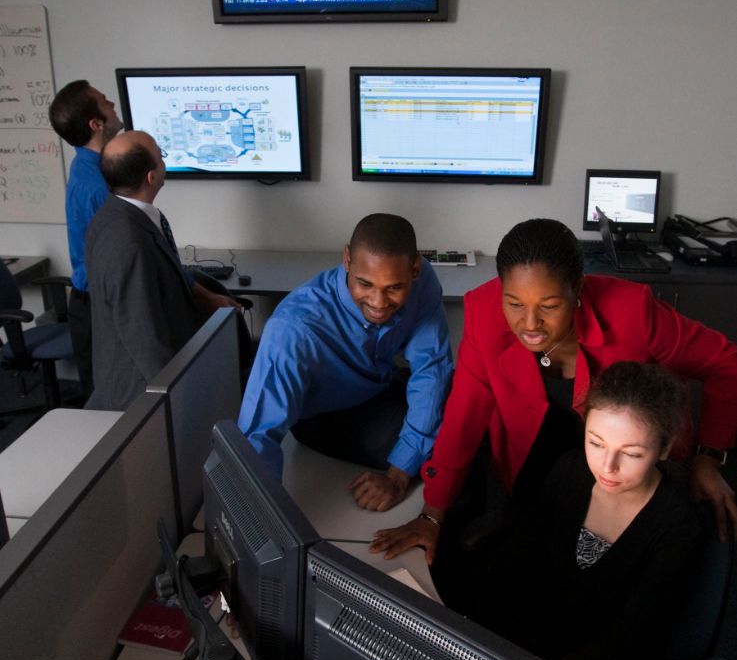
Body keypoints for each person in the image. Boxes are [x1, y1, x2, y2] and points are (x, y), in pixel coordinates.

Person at [371, 218, 737, 560]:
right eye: (514, 303)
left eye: (549, 306)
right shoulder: (484, 313)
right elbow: (463, 417)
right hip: (533, 467)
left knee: (609, 572)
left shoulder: (633, 313)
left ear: (577, 288)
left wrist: (708, 457)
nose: (530, 324)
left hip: (625, 471)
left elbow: (725, 364)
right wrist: (432, 515)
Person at [444, 362, 706, 660]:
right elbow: (520, 555)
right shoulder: (570, 470)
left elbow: (631, 640)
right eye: (595, 442)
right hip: (526, 643)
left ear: (664, 448)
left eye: (631, 454)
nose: (607, 467)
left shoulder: (678, 524)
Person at [237, 213, 454, 511]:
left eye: (393, 288)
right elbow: (257, 436)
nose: (378, 303)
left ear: (414, 268)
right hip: (326, 416)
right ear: (347, 260)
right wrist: (262, 525)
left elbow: (432, 368)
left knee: (469, 404)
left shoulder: (422, 280)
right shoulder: (292, 329)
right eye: (364, 284)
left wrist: (396, 476)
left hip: (378, 382)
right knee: (452, 446)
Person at [85, 131, 240, 410]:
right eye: (161, 155)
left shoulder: (116, 215)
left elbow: (164, 276)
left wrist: (205, 296)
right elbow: (144, 336)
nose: (164, 160)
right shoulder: (129, 243)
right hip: (140, 395)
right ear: (151, 177)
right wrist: (178, 398)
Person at [48, 80, 123, 397]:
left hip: (98, 301)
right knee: (106, 405)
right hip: (98, 308)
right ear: (96, 124)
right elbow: (120, 256)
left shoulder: (96, 169)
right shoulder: (95, 185)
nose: (114, 105)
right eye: (106, 102)